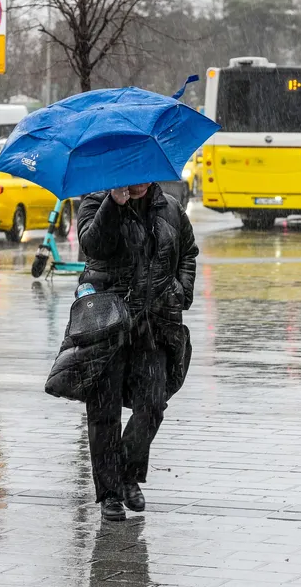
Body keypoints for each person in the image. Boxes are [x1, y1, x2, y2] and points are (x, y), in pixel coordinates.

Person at [76, 182, 198, 521]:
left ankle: (128, 472)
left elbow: (188, 252)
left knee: (152, 404)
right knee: (104, 412)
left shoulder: (170, 207)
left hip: (154, 323)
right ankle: (111, 494)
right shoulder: (95, 201)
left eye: (146, 174)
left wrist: (182, 289)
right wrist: (114, 203)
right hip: (107, 323)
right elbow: (93, 246)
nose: (139, 183)